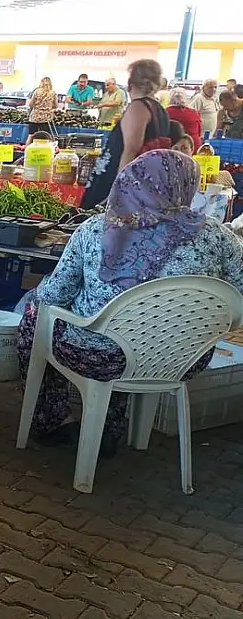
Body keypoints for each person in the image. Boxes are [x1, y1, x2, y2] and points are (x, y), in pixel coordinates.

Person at [17, 150, 243, 457]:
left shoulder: (98, 229)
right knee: (129, 332)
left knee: (37, 316)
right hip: (182, 358)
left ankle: (54, 421)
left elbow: (52, 297)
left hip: (98, 356)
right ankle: (111, 427)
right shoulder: (219, 237)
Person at [83, 60, 171, 210]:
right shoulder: (159, 109)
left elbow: (131, 150)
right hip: (145, 182)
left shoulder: (139, 107)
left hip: (121, 180)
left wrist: (118, 192)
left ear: (131, 83)